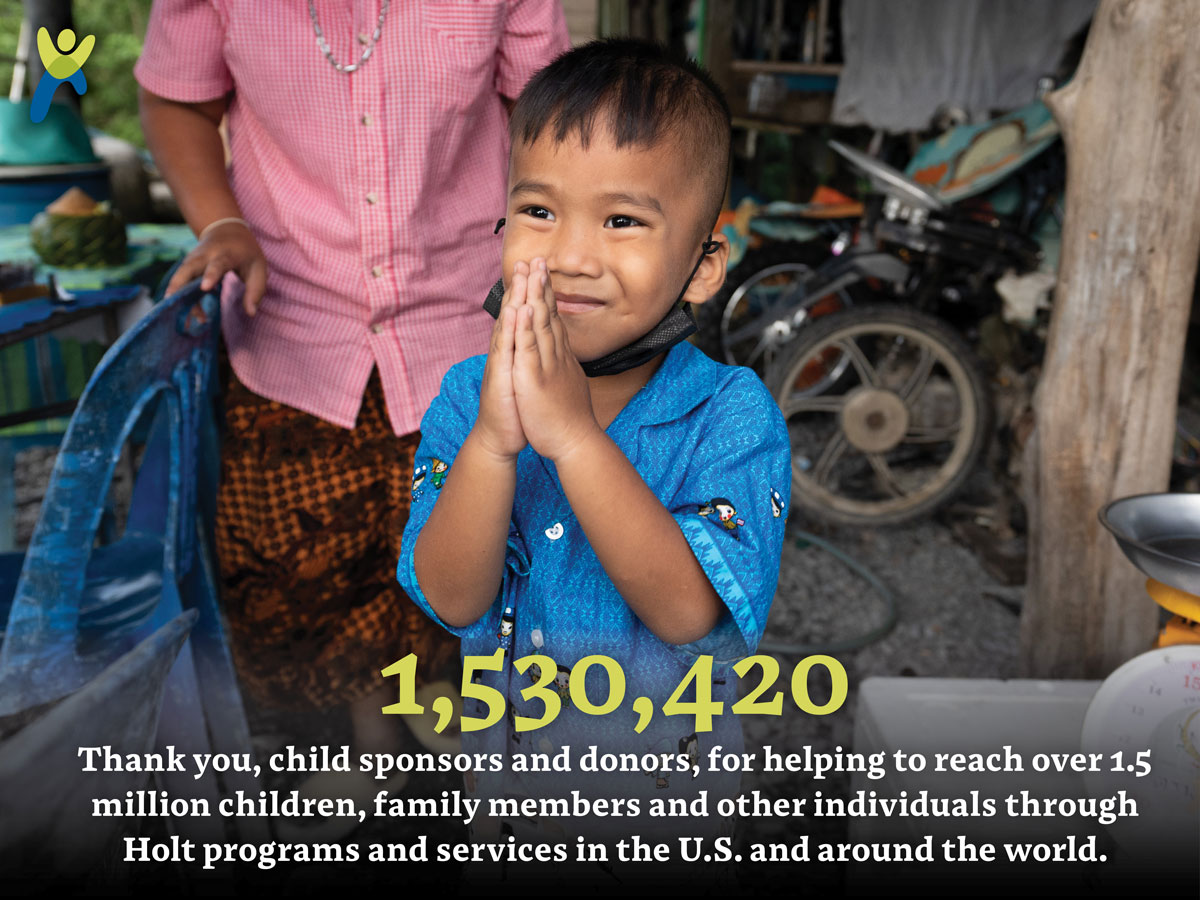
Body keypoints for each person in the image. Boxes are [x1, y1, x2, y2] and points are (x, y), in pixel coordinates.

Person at [133, 1, 570, 781]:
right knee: (304, 582)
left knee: (463, 564)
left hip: (459, 328)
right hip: (291, 332)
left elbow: (554, 127)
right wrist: (220, 222)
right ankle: (359, 759)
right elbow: (177, 99)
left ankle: (435, 771)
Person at [395, 39, 790, 877]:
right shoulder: (470, 397)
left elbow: (689, 614)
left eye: (621, 221)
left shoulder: (731, 415)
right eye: (538, 212)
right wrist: (495, 446)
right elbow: (450, 596)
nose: (569, 256)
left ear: (702, 265)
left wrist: (571, 437)